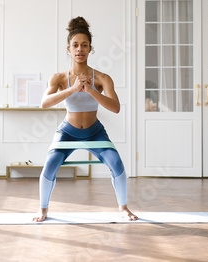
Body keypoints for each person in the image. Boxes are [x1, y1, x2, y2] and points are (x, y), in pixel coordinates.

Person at [33, 16, 138, 222]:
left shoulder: (102, 79)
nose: (79, 49)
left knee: (117, 164)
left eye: (84, 45)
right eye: (75, 45)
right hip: (68, 131)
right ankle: (43, 209)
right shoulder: (59, 78)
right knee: (50, 166)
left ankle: (123, 207)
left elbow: (115, 108)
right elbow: (44, 103)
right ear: (69, 49)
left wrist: (90, 90)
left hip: (94, 131)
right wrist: (73, 89)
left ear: (90, 49)